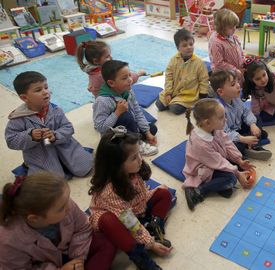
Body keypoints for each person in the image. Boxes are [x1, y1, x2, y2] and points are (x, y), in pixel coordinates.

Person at [88, 127, 173, 270]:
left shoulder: (133, 171)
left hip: (133, 209)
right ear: (116, 166)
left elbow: (141, 193)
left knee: (164, 194)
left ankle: (153, 227)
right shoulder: (109, 191)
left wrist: (155, 193)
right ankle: (141, 258)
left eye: (139, 153)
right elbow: (130, 222)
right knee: (109, 221)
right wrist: (150, 244)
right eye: (134, 157)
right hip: (117, 218)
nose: (140, 159)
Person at [0, 172, 116, 270]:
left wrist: (78, 258)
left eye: (67, 200)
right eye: (61, 208)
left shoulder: (64, 203)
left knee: (106, 243)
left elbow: (83, 228)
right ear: (34, 218)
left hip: (72, 250)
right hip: (48, 265)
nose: (69, 207)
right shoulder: (9, 240)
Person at [5, 71, 93, 178]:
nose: (45, 92)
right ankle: (31, 167)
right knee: (52, 181)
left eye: (46, 87)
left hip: (64, 147)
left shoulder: (56, 110)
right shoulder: (18, 118)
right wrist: (30, 136)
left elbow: (68, 128)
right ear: (24, 98)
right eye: (38, 90)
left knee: (84, 167)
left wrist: (55, 135)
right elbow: (11, 140)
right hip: (40, 154)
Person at [183, 98, 254, 210]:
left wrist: (239, 160)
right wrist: (238, 173)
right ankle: (198, 191)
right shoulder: (200, 143)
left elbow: (227, 142)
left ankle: (220, 187)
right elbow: (218, 162)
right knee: (231, 179)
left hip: (214, 159)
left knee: (237, 159)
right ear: (207, 122)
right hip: (202, 169)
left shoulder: (213, 127)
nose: (225, 120)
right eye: (221, 118)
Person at [93, 60, 158, 156]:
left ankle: (135, 137)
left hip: (128, 127)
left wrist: (147, 132)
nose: (130, 80)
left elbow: (137, 112)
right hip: (113, 136)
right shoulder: (102, 101)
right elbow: (101, 128)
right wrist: (117, 113)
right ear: (111, 83)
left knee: (152, 129)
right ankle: (136, 144)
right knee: (125, 116)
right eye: (124, 78)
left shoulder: (128, 91)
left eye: (129, 75)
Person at [211, 69, 272, 160]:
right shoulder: (218, 109)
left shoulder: (235, 98)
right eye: (233, 84)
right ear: (220, 92)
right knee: (232, 146)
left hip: (238, 129)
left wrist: (252, 125)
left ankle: (253, 144)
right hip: (228, 136)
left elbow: (246, 112)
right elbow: (224, 134)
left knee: (256, 118)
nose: (238, 85)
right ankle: (248, 146)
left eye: (237, 82)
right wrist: (242, 139)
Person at [156, 29, 209, 115]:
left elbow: (204, 80)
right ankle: (172, 100)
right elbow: (168, 77)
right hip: (174, 90)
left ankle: (179, 104)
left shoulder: (199, 63)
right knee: (159, 105)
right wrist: (168, 93)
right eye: (184, 45)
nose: (189, 47)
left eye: (191, 44)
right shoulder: (173, 60)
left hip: (188, 94)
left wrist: (202, 97)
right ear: (178, 48)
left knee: (174, 109)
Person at [76, 40, 146, 98]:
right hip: (111, 100)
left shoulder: (91, 69)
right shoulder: (103, 73)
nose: (111, 57)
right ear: (96, 61)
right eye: (107, 56)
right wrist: (138, 74)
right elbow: (122, 82)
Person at [208, 8, 245, 84]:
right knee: (228, 91)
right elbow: (219, 63)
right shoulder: (216, 42)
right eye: (231, 27)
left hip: (236, 71)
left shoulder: (233, 36)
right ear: (221, 28)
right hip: (224, 76)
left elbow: (240, 50)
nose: (234, 29)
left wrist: (243, 61)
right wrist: (235, 70)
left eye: (235, 26)